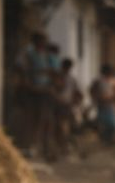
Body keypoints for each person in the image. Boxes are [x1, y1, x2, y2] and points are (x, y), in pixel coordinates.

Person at [15, 32, 59, 160]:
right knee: (31, 119)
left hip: (44, 91)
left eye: (44, 41)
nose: (43, 43)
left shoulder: (47, 55)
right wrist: (28, 82)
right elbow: (20, 69)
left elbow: (54, 72)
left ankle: (44, 147)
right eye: (41, 41)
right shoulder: (27, 54)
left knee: (46, 119)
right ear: (35, 41)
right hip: (32, 91)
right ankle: (30, 146)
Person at [53, 58, 84, 159]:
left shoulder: (69, 78)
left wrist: (76, 102)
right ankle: (63, 148)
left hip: (66, 105)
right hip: (60, 105)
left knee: (65, 127)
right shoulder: (60, 77)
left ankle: (65, 148)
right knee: (61, 127)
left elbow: (77, 92)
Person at [90, 64, 115, 144]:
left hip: (112, 106)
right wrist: (97, 98)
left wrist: (114, 99)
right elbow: (92, 90)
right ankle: (103, 140)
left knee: (113, 125)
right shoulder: (98, 81)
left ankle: (109, 139)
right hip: (102, 106)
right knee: (102, 124)